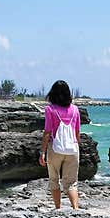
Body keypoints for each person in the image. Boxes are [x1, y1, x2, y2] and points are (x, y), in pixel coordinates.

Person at [39, 80, 81, 210]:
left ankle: (58, 209)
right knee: (71, 183)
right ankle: (75, 208)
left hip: (55, 148)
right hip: (72, 149)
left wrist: (42, 152)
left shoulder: (50, 109)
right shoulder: (75, 109)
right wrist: (77, 148)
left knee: (54, 179)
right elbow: (77, 132)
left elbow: (47, 132)